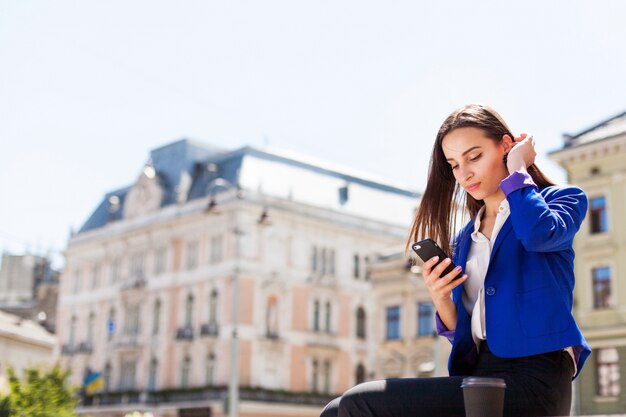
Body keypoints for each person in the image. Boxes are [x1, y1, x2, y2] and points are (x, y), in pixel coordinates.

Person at [320, 104, 590, 417]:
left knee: (359, 402)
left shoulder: (561, 200)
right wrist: (441, 298)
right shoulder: (465, 238)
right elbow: (464, 334)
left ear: (505, 145)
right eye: (454, 164)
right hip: (478, 376)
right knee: (335, 410)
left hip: (534, 379)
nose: (464, 173)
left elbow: (537, 234)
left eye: (474, 157)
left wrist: (519, 171)